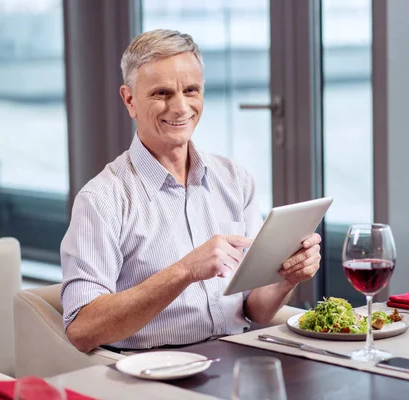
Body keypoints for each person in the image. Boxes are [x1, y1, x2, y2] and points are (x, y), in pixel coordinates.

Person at [60, 29, 322, 353]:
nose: (181, 107)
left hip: (238, 362)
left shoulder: (235, 180)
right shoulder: (101, 201)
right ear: (130, 100)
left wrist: (286, 277)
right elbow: (82, 329)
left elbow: (255, 309)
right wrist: (184, 271)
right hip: (154, 375)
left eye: (191, 90)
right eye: (161, 93)